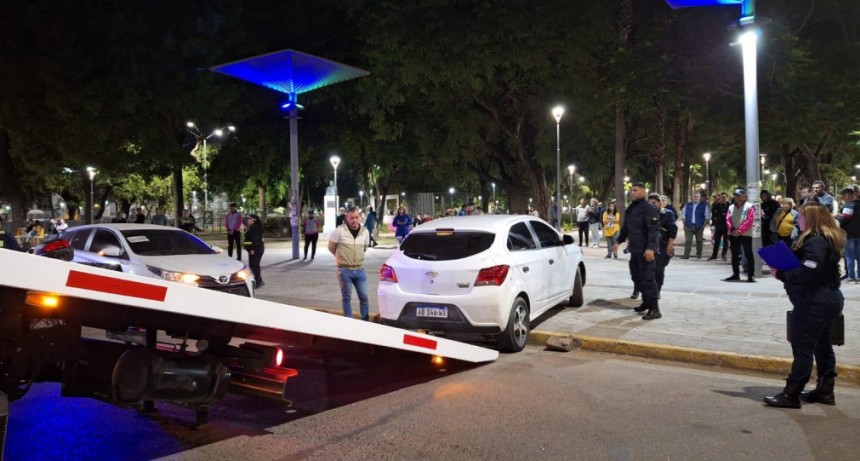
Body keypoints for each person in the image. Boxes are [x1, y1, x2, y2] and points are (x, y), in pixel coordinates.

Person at [764, 201, 845, 408]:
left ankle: (791, 394)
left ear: (810, 219)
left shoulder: (815, 241)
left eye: (800, 216)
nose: (797, 220)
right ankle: (825, 391)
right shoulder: (825, 238)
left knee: (803, 345)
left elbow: (808, 271)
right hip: (827, 298)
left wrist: (781, 273)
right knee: (822, 344)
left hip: (816, 300)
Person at [612, 182, 661, 320]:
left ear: (644, 192)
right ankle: (646, 302)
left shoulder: (649, 208)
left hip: (646, 251)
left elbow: (654, 229)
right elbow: (625, 227)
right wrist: (618, 241)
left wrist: (650, 248)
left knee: (648, 280)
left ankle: (655, 309)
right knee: (637, 278)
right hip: (635, 249)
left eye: (635, 190)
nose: (632, 192)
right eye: (632, 190)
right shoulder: (632, 208)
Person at [327, 206, 371, 321]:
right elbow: (331, 247)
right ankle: (349, 322)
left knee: (364, 297)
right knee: (346, 298)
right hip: (344, 271)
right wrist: (341, 257)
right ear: (347, 218)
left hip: (360, 270)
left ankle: (365, 322)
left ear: (360, 217)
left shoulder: (365, 232)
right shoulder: (339, 231)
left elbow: (365, 248)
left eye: (356, 217)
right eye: (351, 218)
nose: (354, 220)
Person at [649, 194, 677, 302]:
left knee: (659, 270)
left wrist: (670, 245)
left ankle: (657, 290)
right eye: (650, 203)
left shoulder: (668, 214)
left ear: (659, 203)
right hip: (649, 246)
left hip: (663, 246)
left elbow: (673, 230)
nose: (652, 205)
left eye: (654, 203)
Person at [724, 188, 756, 282]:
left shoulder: (749, 206)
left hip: (746, 234)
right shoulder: (731, 207)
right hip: (733, 234)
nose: (737, 197)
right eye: (735, 196)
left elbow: (750, 220)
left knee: (748, 254)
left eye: (739, 196)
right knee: (734, 254)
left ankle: (750, 275)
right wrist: (732, 229)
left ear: (744, 197)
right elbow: (728, 219)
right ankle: (736, 273)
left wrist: (739, 230)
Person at [836, 187, 860, 282]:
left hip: (849, 234)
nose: (842, 198)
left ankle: (851, 276)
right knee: (859, 256)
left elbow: (844, 218)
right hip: (859, 234)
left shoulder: (849, 205)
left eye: (842, 196)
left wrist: (837, 216)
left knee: (849, 256)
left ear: (846, 195)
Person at [680, 192, 710, 259]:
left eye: (697, 196)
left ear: (700, 197)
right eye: (694, 196)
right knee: (688, 241)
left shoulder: (704, 205)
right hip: (688, 226)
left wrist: (703, 226)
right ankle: (686, 255)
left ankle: (699, 255)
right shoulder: (687, 205)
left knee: (699, 241)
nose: (696, 198)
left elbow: (707, 217)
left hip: (699, 227)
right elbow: (683, 216)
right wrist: (685, 225)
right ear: (692, 197)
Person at [243, 214, 265, 289]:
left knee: (254, 265)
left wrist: (252, 249)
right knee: (254, 265)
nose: (248, 220)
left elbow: (255, 241)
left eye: (249, 219)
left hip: (255, 249)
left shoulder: (255, 228)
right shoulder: (253, 227)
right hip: (256, 249)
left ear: (253, 221)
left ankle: (258, 282)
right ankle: (258, 281)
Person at [708, 193, 730, 261]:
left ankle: (724, 255)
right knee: (717, 241)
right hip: (718, 225)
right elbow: (713, 215)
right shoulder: (716, 205)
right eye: (721, 197)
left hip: (727, 226)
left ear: (726, 198)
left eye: (724, 197)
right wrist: (714, 224)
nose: (723, 198)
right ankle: (714, 255)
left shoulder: (730, 205)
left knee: (726, 241)